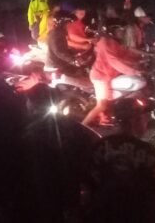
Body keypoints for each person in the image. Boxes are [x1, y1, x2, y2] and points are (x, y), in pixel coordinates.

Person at [87, 98, 155, 223]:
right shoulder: (148, 151)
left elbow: (89, 185)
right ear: (134, 120)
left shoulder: (100, 146)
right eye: (144, 117)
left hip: (105, 215)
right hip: (141, 216)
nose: (147, 121)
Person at [19, 83, 98, 223]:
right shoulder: (72, 125)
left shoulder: (30, 131)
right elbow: (92, 143)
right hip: (71, 182)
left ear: (32, 103)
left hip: (45, 186)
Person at [85, 25, 143, 126]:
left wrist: (140, 61)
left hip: (109, 75)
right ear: (112, 31)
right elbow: (115, 61)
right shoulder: (106, 43)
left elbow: (126, 56)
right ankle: (83, 125)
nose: (122, 32)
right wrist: (134, 71)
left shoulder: (116, 43)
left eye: (123, 30)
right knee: (101, 105)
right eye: (119, 30)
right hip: (100, 76)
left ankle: (106, 119)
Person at [45, 13, 93, 91]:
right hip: (56, 69)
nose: (69, 25)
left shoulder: (58, 32)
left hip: (60, 65)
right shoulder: (57, 34)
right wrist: (73, 60)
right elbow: (59, 51)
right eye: (68, 23)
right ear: (63, 23)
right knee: (87, 83)